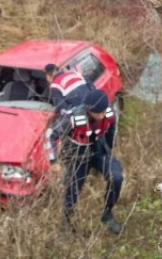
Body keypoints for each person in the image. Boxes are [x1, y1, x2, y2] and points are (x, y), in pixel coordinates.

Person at [45, 88, 124, 235]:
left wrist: (113, 147)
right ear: (88, 109)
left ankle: (107, 213)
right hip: (77, 156)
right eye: (98, 113)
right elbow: (50, 134)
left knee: (117, 177)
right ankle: (66, 222)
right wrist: (53, 161)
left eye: (103, 112)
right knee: (72, 192)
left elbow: (112, 129)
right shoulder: (72, 118)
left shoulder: (108, 114)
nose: (101, 116)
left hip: (99, 151)